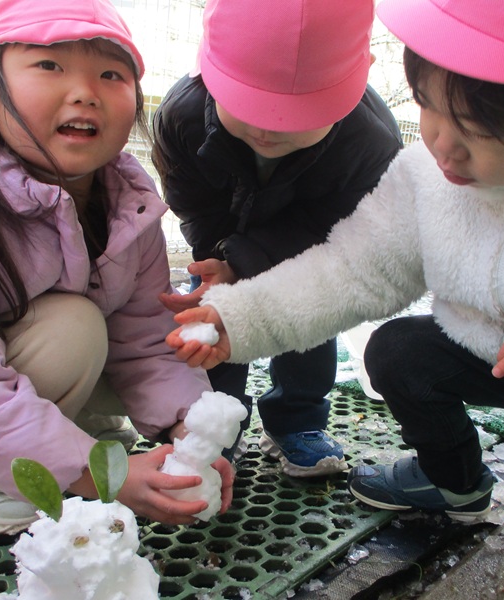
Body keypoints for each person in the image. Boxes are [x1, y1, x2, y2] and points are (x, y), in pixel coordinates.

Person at [167, 0, 504, 597]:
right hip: (496, 352)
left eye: (482, 133)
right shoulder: (427, 174)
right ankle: (453, 481)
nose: (442, 147)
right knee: (398, 351)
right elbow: (352, 269)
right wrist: (243, 317)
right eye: (429, 106)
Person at [0, 0, 233, 536]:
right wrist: (95, 476)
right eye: (50, 65)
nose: (85, 91)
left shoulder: (128, 203)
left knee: (110, 333)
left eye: (111, 74)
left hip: (25, 364)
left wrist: (191, 430)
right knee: (74, 328)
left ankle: (67, 438)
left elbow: (145, 337)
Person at [153, 0, 403, 477]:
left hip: (309, 250)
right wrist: (221, 262)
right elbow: (194, 202)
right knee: (216, 317)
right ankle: (214, 423)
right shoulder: (182, 115)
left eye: (297, 114)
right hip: (223, 231)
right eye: (246, 103)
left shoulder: (370, 143)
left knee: (309, 318)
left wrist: (248, 261)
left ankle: (297, 418)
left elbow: (334, 226)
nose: (267, 127)